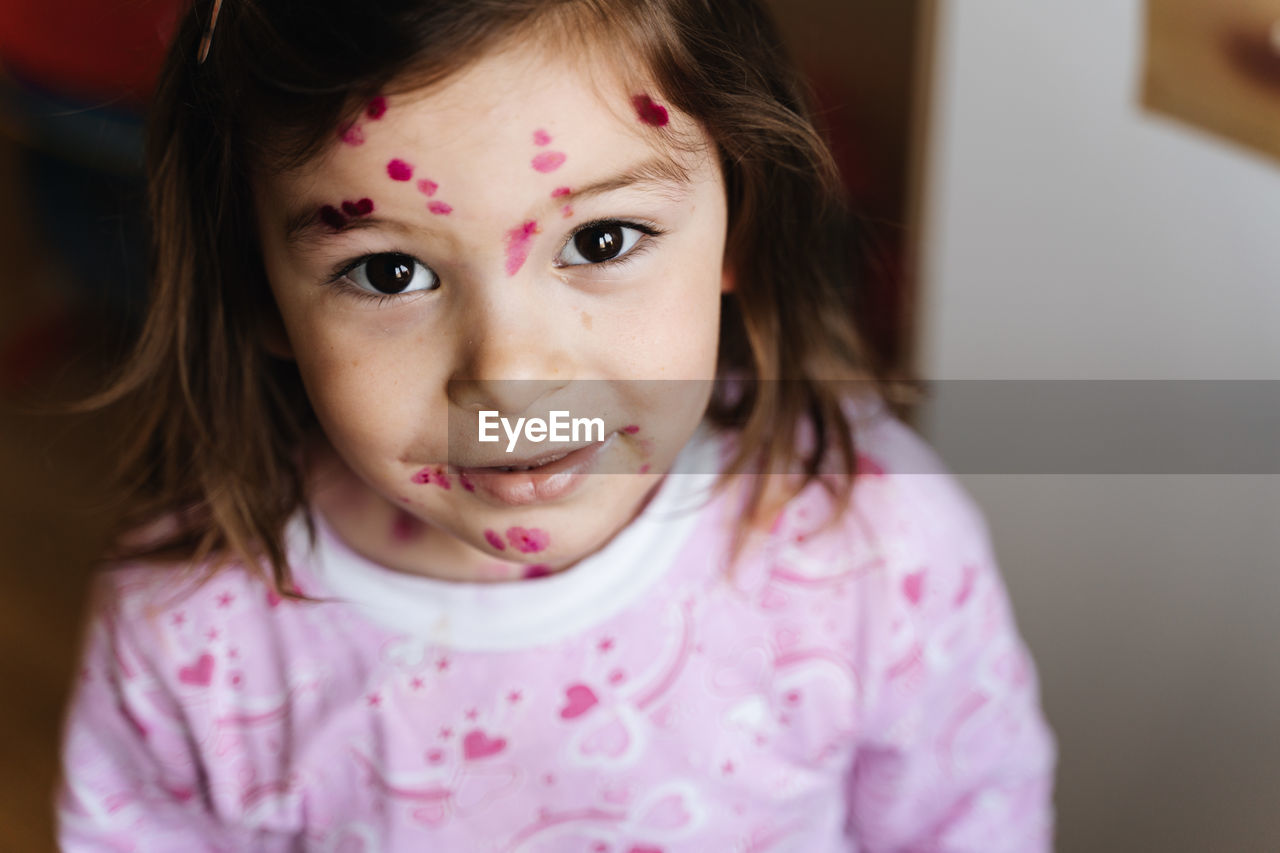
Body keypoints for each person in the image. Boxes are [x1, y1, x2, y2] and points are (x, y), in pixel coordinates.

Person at [55, 0, 1057, 849]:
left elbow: (972, 815)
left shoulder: (869, 543)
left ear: (738, 220)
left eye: (601, 239)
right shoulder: (189, 634)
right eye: (388, 272)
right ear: (258, 290)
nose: (510, 377)